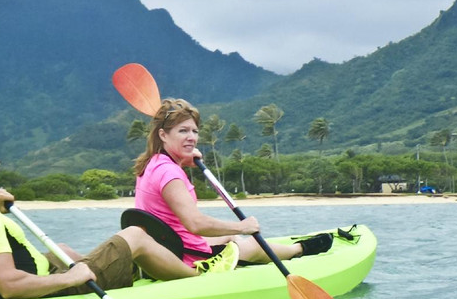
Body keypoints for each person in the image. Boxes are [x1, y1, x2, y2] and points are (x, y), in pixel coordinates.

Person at [0, 127, 230, 299]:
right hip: (42, 293)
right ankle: (196, 275)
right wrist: (70, 278)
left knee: (60, 249)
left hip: (20, 278)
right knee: (136, 235)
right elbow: (9, 286)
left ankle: (131, 269)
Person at [132, 98, 333, 269]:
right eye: (183, 131)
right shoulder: (170, 173)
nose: (192, 137)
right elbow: (195, 223)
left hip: (169, 247)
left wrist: (182, 158)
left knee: (231, 239)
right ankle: (300, 250)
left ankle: (289, 249)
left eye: (194, 131)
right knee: (248, 244)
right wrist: (241, 226)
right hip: (187, 258)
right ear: (163, 135)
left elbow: (164, 185)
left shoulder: (151, 163)